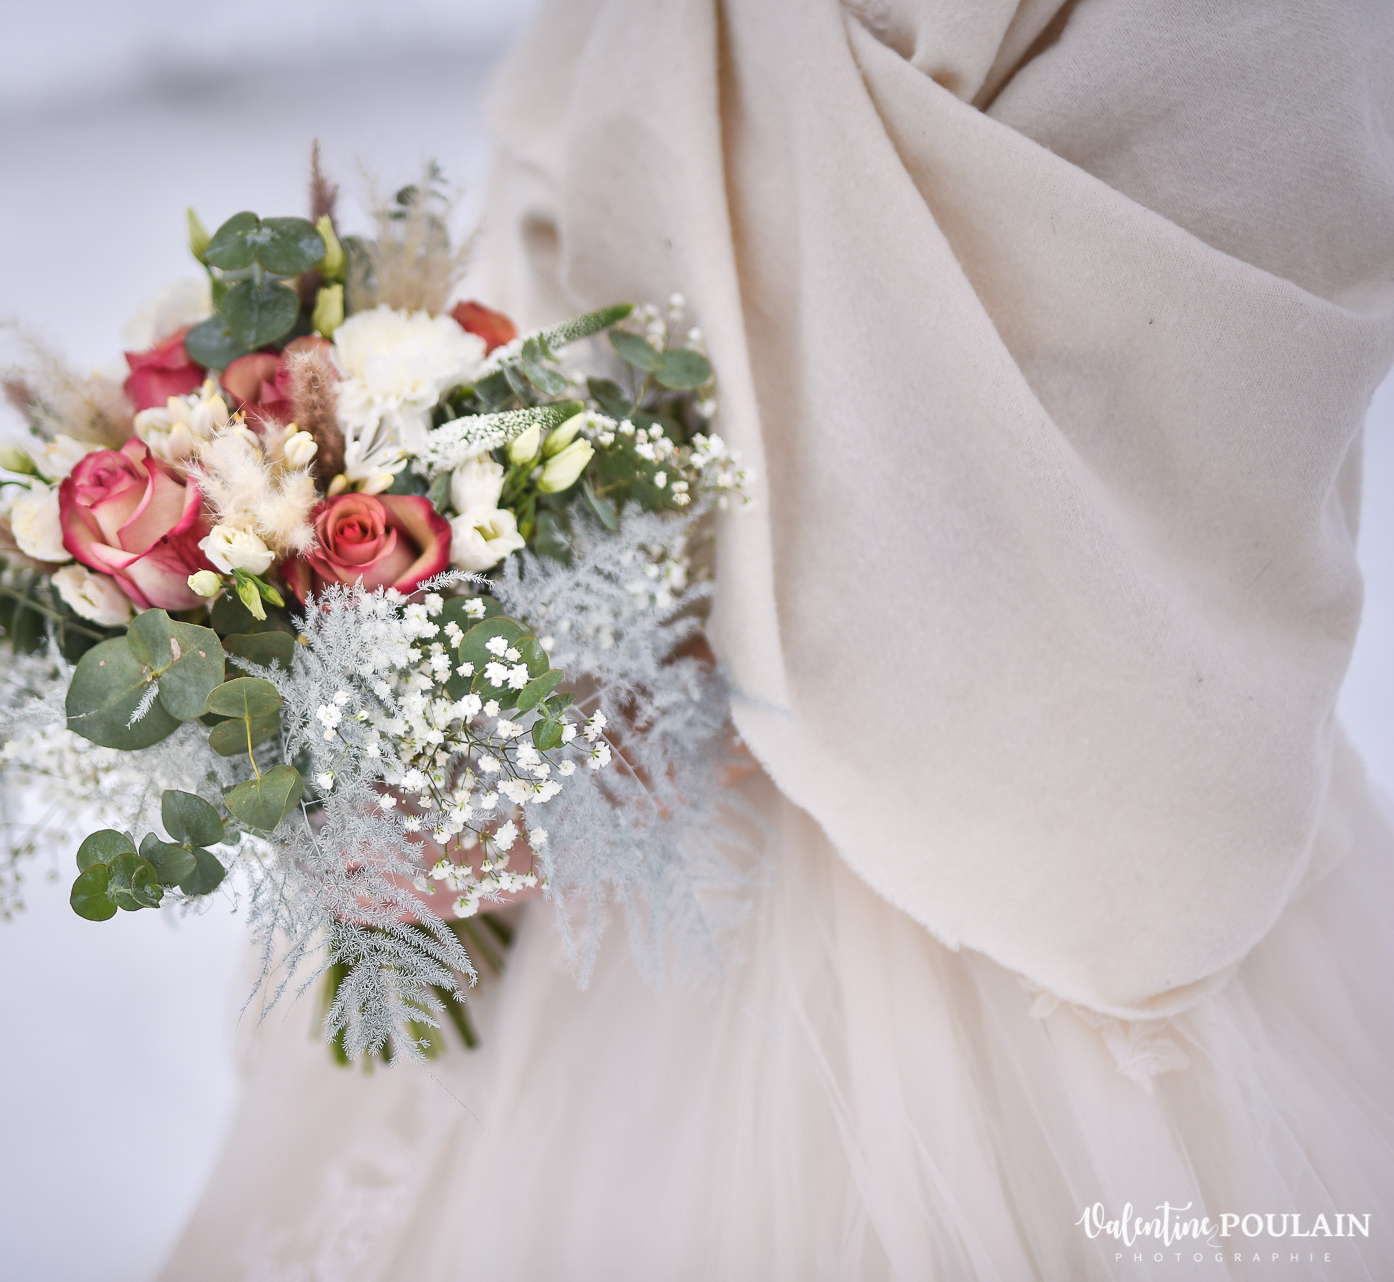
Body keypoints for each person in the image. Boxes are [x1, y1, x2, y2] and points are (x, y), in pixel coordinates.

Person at [160, 1, 1394, 1276]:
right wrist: (444, 617)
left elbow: (1173, 426)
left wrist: (599, 717)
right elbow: (558, 264)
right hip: (625, 855)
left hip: (1018, 871)